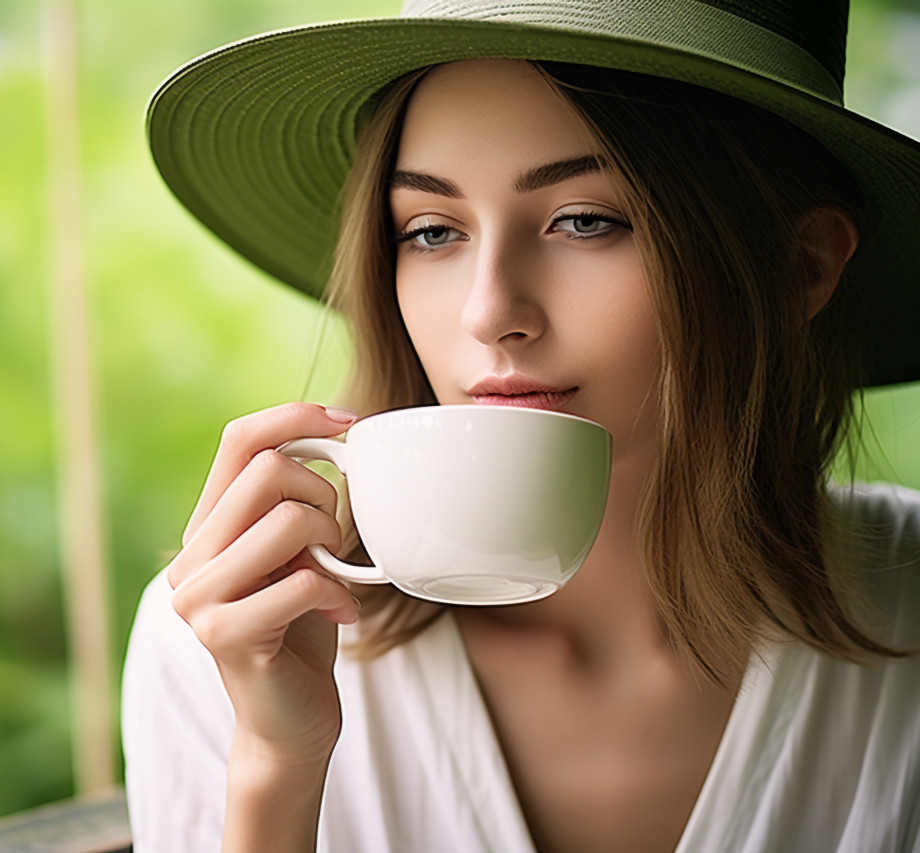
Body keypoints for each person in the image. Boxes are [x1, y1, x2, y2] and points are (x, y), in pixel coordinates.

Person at [121, 1, 920, 851]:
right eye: (431, 231)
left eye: (586, 220)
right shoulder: (236, 635)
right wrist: (277, 764)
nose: (489, 310)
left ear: (800, 266)